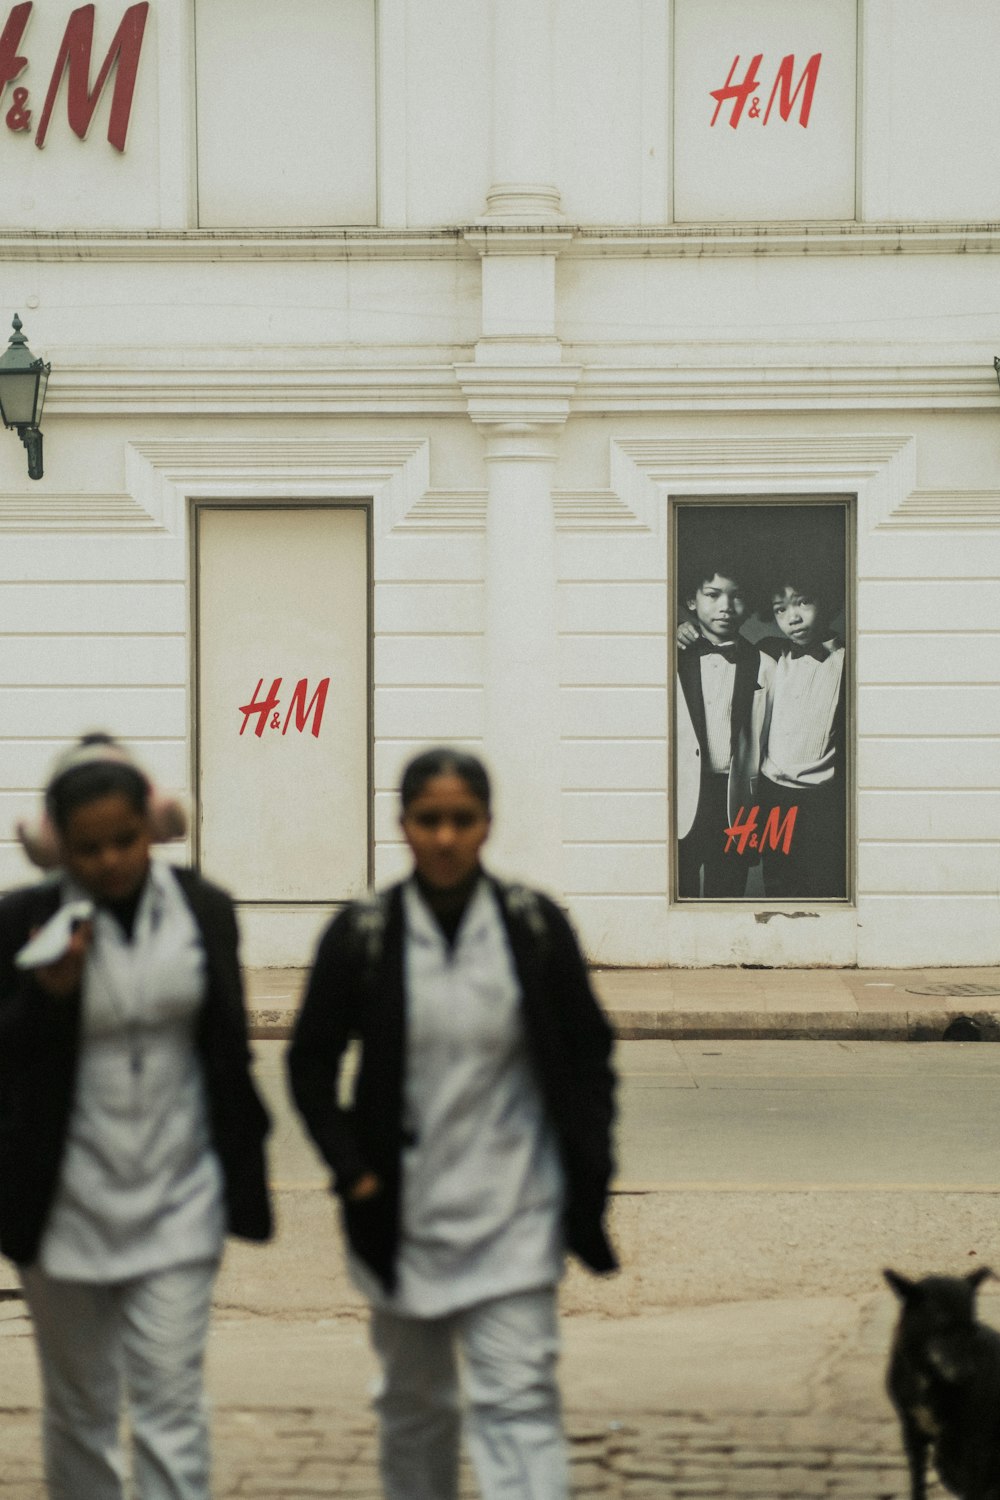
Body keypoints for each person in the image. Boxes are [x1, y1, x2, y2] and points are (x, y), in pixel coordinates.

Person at [287, 747, 618, 1500]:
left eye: (460, 820)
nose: (444, 837)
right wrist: (355, 1173)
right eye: (428, 820)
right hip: (401, 1216)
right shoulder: (363, 935)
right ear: (403, 825)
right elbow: (309, 1066)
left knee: (519, 1404)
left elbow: (589, 1053)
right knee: (415, 1410)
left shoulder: (532, 929)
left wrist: (586, 1169)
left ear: (486, 826)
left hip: (517, 1212)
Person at [0, 736, 272, 1500]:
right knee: (81, 1409)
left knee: (171, 1407)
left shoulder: (202, 909)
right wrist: (44, 997)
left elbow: (227, 1047)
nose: (112, 861)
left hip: (178, 1202)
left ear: (152, 831)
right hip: (63, 1208)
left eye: (126, 841)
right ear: (57, 849)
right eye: (88, 848)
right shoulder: (21, 921)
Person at [675, 553, 774, 897]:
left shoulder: (765, 663)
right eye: (713, 594)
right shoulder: (670, 654)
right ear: (691, 599)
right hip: (684, 794)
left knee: (727, 892)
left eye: (737, 595)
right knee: (676, 891)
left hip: (736, 800)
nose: (726, 605)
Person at [755, 561, 847, 899]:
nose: (792, 617)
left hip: (822, 800)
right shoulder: (771, 653)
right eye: (780, 609)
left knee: (824, 884)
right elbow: (723, 646)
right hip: (773, 794)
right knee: (778, 883)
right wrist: (680, 629)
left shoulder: (849, 660)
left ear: (826, 598)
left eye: (803, 602)